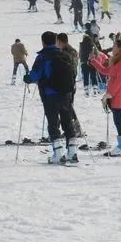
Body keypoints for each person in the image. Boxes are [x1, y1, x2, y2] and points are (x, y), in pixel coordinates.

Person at [24, 30, 82, 164]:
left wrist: (27, 78)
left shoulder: (43, 57)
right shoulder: (65, 55)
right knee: (67, 122)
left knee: (53, 123)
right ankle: (72, 153)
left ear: (43, 42)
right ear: (55, 40)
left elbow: (35, 75)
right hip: (67, 93)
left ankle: (58, 153)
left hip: (50, 94)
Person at [90, 36, 121, 156]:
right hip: (113, 93)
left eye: (114, 46)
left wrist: (109, 95)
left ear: (120, 48)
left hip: (118, 93)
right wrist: (93, 61)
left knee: (118, 119)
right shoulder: (116, 59)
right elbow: (106, 71)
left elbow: (118, 81)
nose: (112, 48)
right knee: (119, 118)